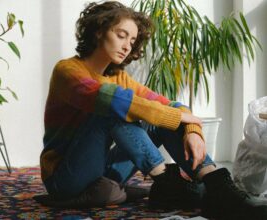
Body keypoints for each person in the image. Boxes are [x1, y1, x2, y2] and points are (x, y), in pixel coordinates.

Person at [37, 1, 267, 219]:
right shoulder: (67, 71)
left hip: (101, 171)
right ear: (98, 32)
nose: (127, 45)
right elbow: (110, 100)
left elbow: (171, 105)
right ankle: (167, 183)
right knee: (115, 108)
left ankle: (217, 187)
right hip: (64, 177)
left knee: (158, 116)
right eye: (121, 35)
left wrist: (192, 130)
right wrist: (175, 116)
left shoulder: (118, 77)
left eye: (133, 39)